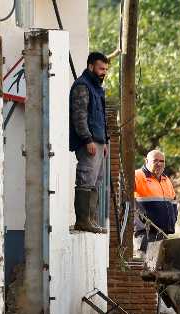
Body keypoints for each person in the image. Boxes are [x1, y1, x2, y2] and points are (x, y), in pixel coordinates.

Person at [68, 52, 110, 233]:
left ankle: (91, 220)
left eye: (106, 69)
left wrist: (105, 141)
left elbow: (101, 118)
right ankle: (83, 221)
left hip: (99, 141)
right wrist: (87, 139)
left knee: (95, 181)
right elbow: (79, 116)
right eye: (101, 68)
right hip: (89, 142)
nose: (104, 72)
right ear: (90, 66)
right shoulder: (82, 86)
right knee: (86, 179)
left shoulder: (96, 87)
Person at [134, 150, 178, 252]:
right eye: (155, 161)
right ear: (146, 161)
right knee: (145, 264)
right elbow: (124, 198)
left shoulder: (166, 180)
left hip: (163, 232)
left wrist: (173, 220)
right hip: (146, 233)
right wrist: (139, 222)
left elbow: (174, 203)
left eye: (162, 161)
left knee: (160, 266)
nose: (159, 164)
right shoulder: (137, 176)